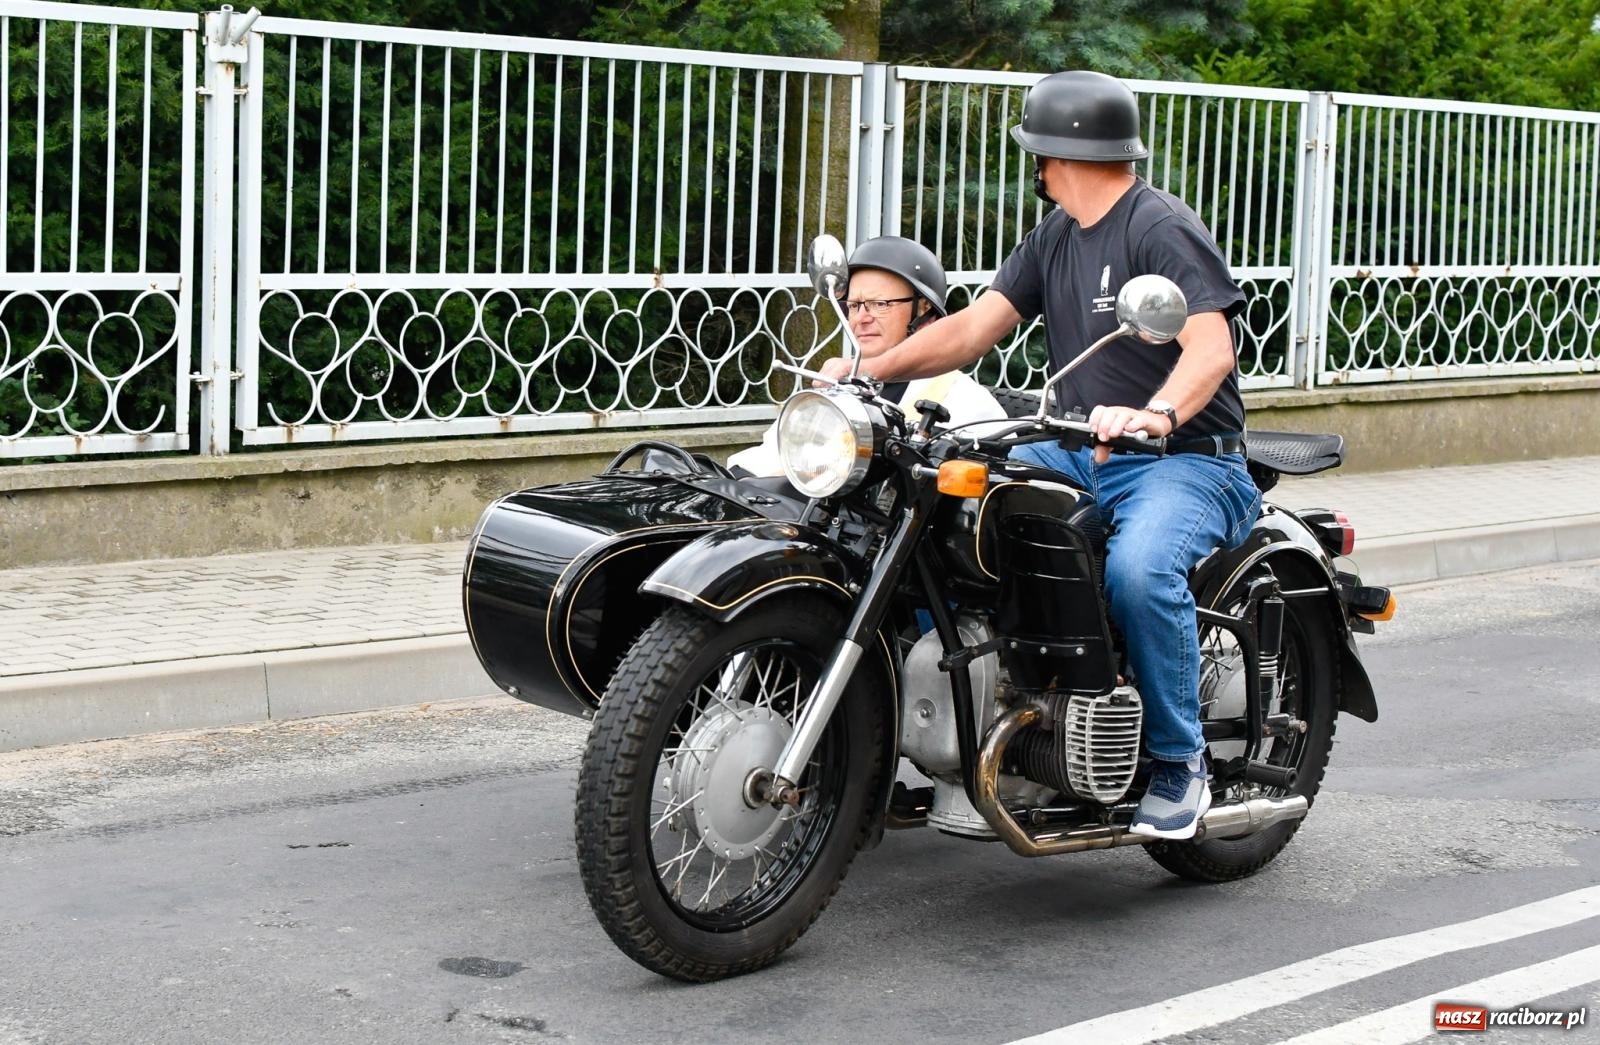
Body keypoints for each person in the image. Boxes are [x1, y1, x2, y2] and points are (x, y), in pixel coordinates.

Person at [820, 70, 1262, 841]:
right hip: (1081, 451)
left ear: (1060, 155)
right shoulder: (1056, 234)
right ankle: (961, 719)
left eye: (1038, 151)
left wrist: (1156, 413)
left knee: (1139, 569)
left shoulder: (1158, 227)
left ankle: (1177, 763)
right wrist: (866, 370)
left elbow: (1212, 348)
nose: (1036, 166)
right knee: (941, 516)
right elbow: (969, 330)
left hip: (1187, 459)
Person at [729, 236, 1006, 477]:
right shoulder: (840, 386)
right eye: (854, 306)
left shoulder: (962, 400)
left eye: (879, 304)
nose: (861, 318)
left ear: (924, 309)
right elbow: (771, 455)